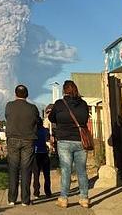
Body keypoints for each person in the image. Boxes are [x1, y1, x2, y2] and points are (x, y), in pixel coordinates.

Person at [49, 80, 90, 209]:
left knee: (66, 169)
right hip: (80, 141)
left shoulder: (60, 104)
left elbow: (51, 118)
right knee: (81, 170)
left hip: (64, 141)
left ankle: (64, 198)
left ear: (64, 91)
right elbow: (85, 119)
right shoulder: (83, 104)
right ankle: (84, 199)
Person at [5, 84, 41, 207]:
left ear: (15, 94)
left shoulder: (9, 106)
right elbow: (38, 121)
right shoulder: (33, 108)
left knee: (13, 168)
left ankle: (11, 199)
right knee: (26, 169)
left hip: (13, 140)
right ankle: (25, 200)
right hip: (28, 140)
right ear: (27, 95)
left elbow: (8, 117)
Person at [31, 120, 52, 198]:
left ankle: (36, 192)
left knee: (36, 175)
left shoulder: (33, 132)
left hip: (36, 154)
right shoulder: (46, 130)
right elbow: (48, 141)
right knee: (47, 175)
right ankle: (48, 192)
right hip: (44, 153)